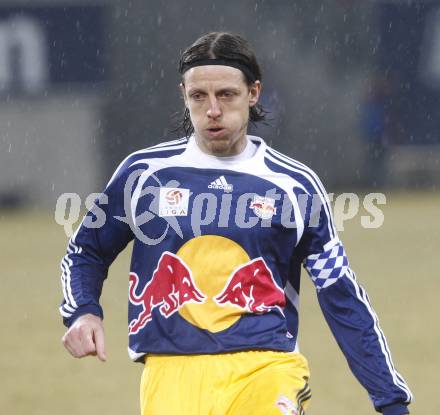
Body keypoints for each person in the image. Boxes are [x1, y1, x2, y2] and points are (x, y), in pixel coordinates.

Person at [60, 32, 412, 415]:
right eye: (199, 97)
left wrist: (390, 400)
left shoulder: (295, 186)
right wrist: (83, 311)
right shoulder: (144, 175)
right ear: (184, 95)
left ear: (253, 93)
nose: (212, 110)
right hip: (171, 371)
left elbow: (339, 292)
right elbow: (86, 250)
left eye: (226, 95)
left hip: (266, 365)